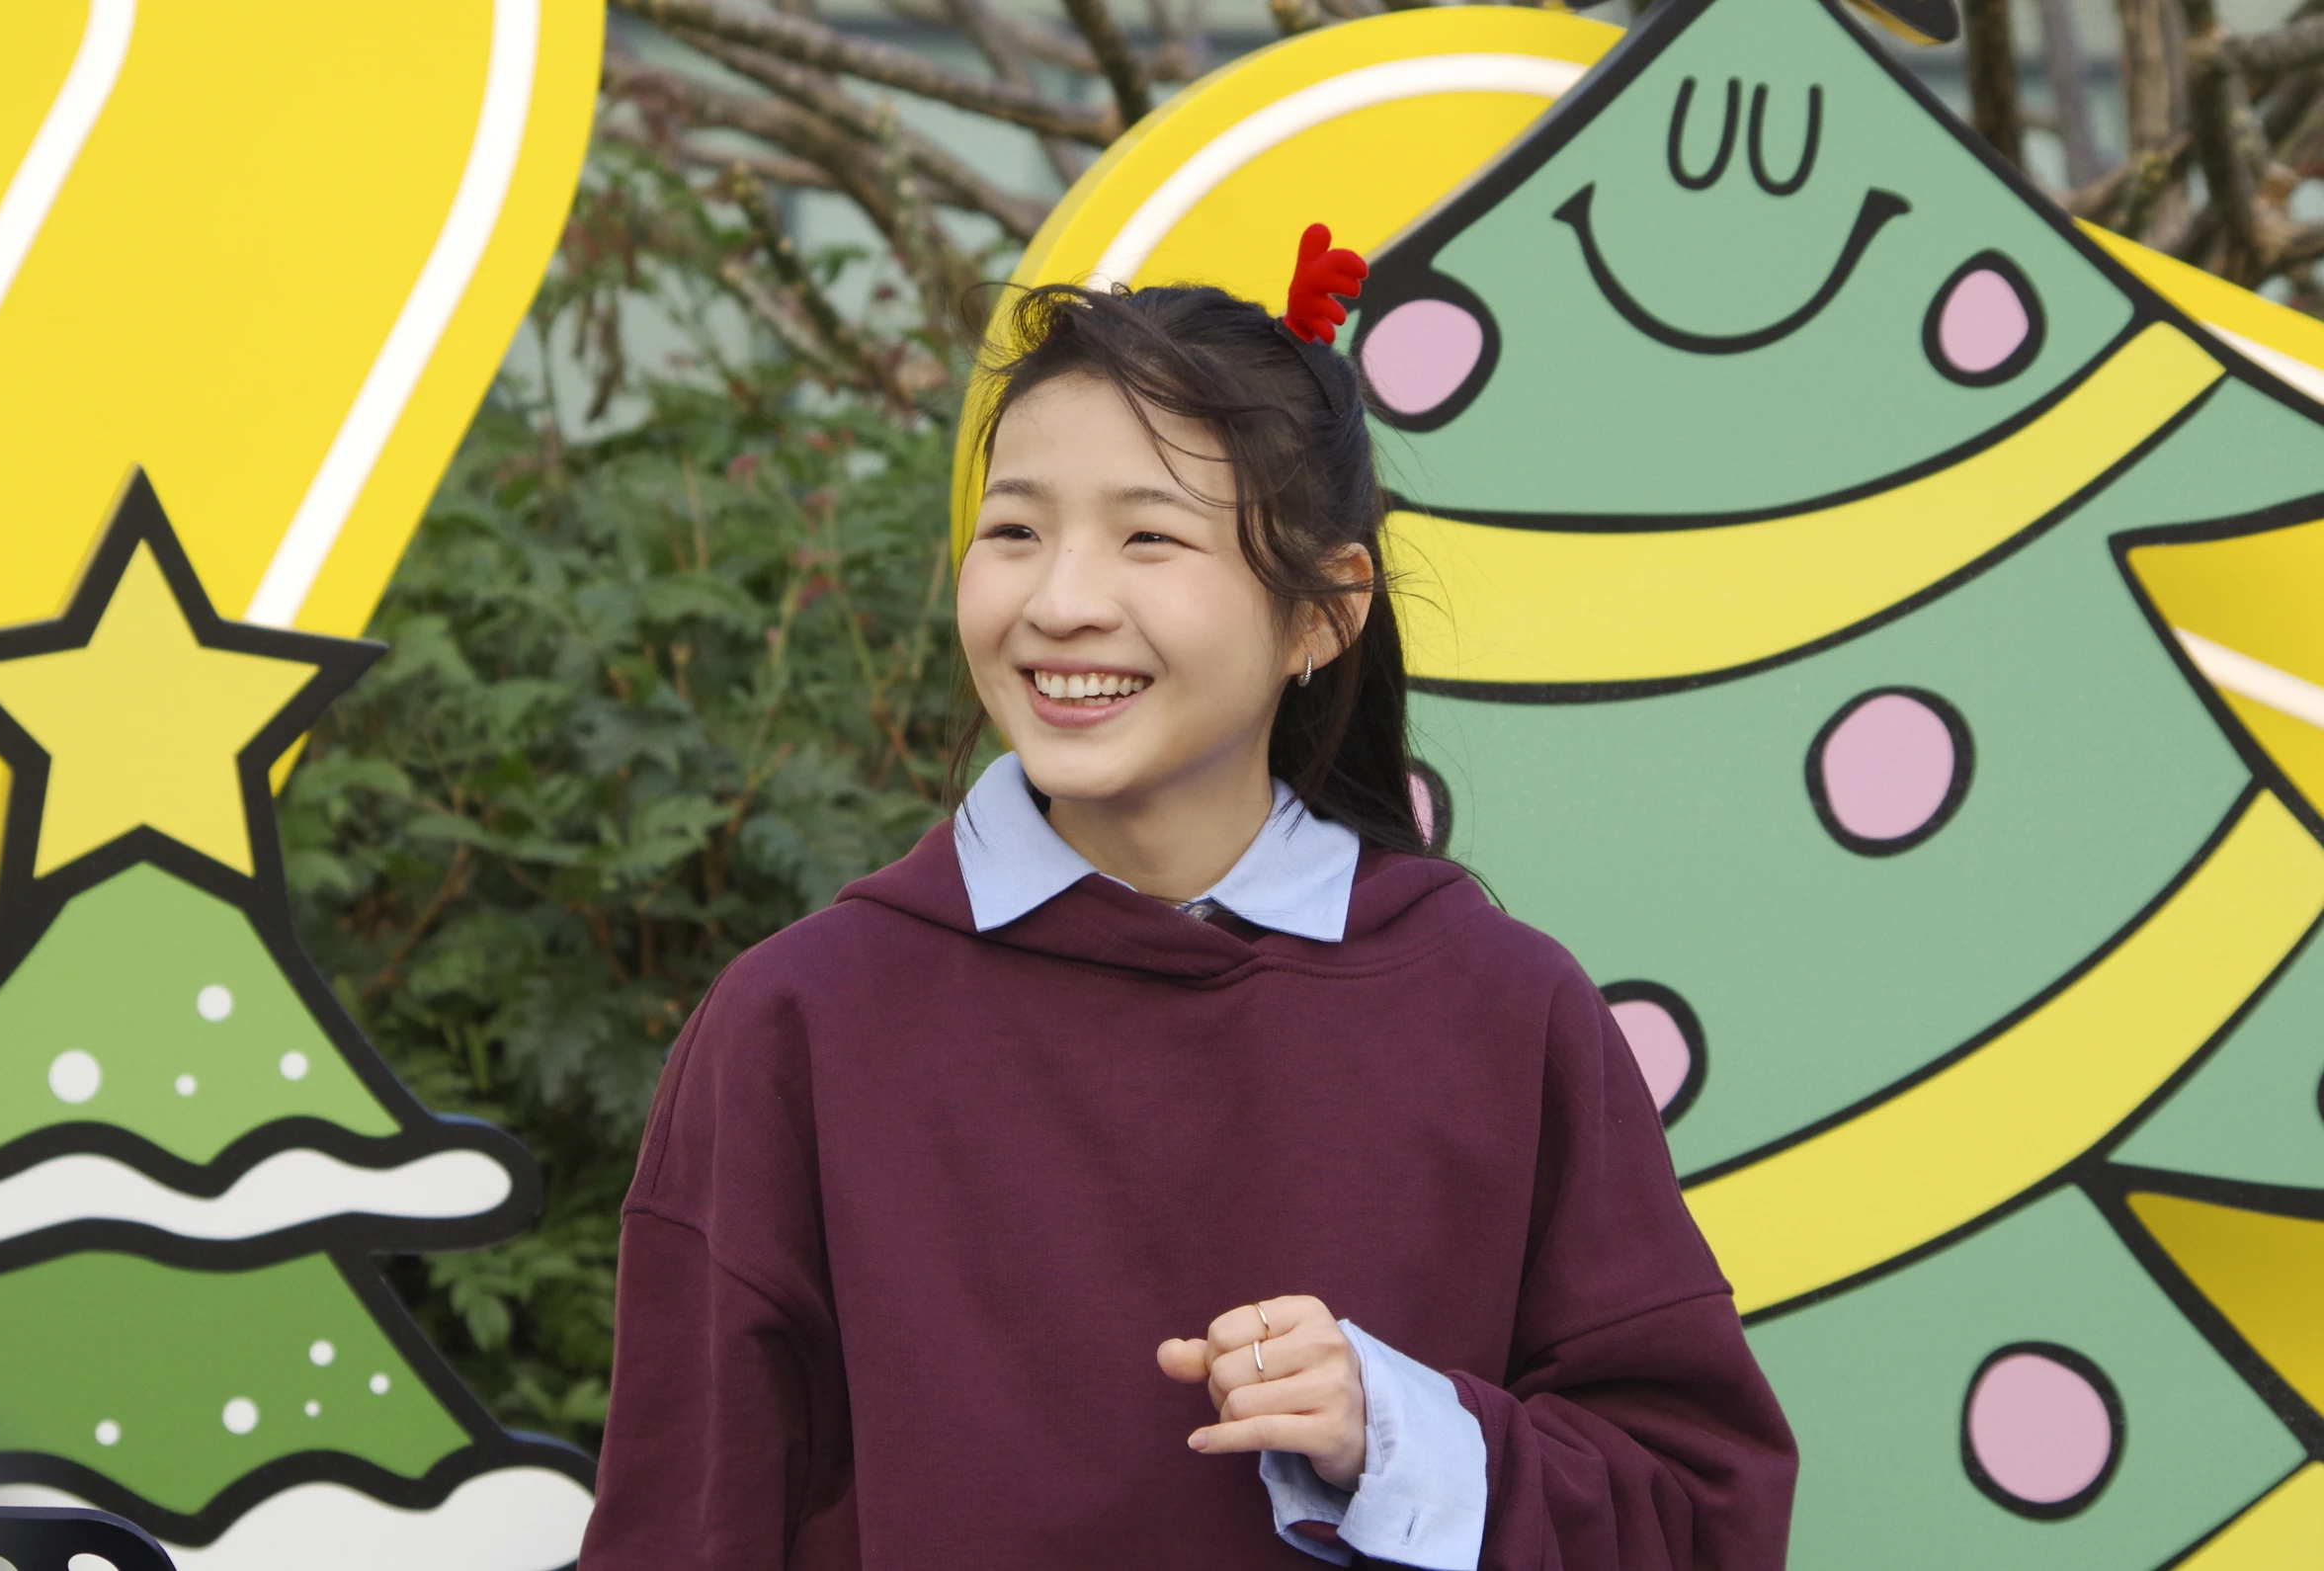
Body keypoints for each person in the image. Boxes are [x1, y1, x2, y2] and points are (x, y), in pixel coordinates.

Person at [576, 233, 1797, 1570]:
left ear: (1324, 612)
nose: (1061, 602)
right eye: (1014, 530)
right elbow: (682, 1528)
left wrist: (1397, 1431)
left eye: (1149, 536)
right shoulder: (799, 1022)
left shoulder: (1502, 1009)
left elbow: (1700, 1516)